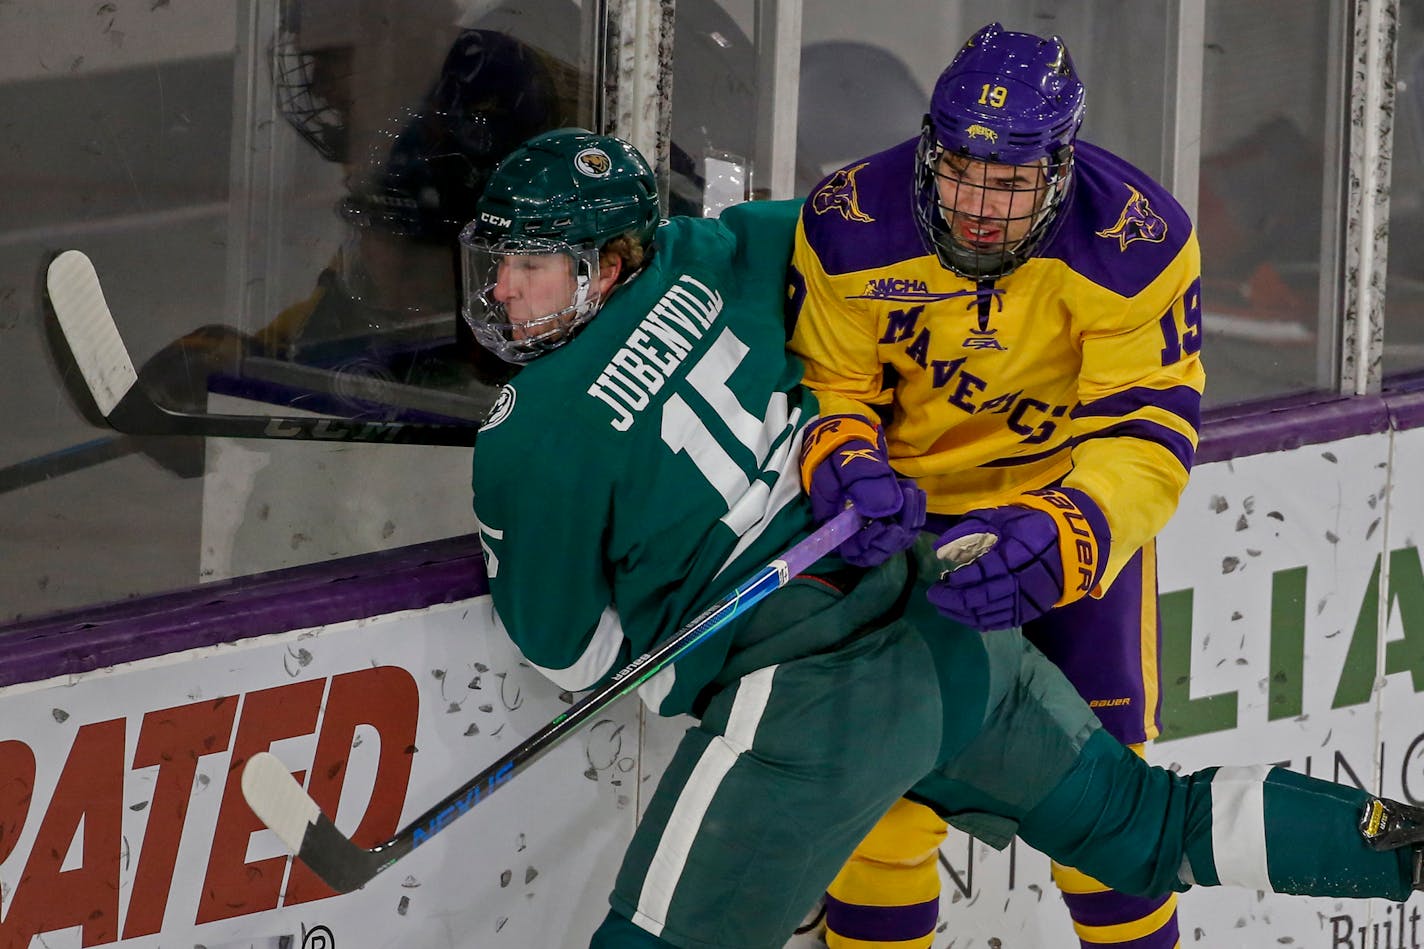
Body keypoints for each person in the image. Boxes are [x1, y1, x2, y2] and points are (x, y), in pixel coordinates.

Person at [460, 127, 1424, 949]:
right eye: (497, 260)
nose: (502, 289)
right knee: (1147, 822)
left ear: (612, 261)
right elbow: (864, 248)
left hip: (803, 704)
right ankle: (1402, 846)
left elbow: (575, 657)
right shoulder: (725, 247)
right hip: (946, 623)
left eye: (531, 264)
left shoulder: (528, 428)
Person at [786, 22, 1205, 948]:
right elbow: (830, 387)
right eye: (959, 169)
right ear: (932, 146)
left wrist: (1072, 531)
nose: (977, 205)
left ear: (1059, 169)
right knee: (881, 805)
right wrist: (847, 466)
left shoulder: (1138, 238)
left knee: (1104, 819)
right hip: (908, 528)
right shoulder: (849, 220)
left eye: (1010, 182)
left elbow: (1149, 432)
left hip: (1061, 516)